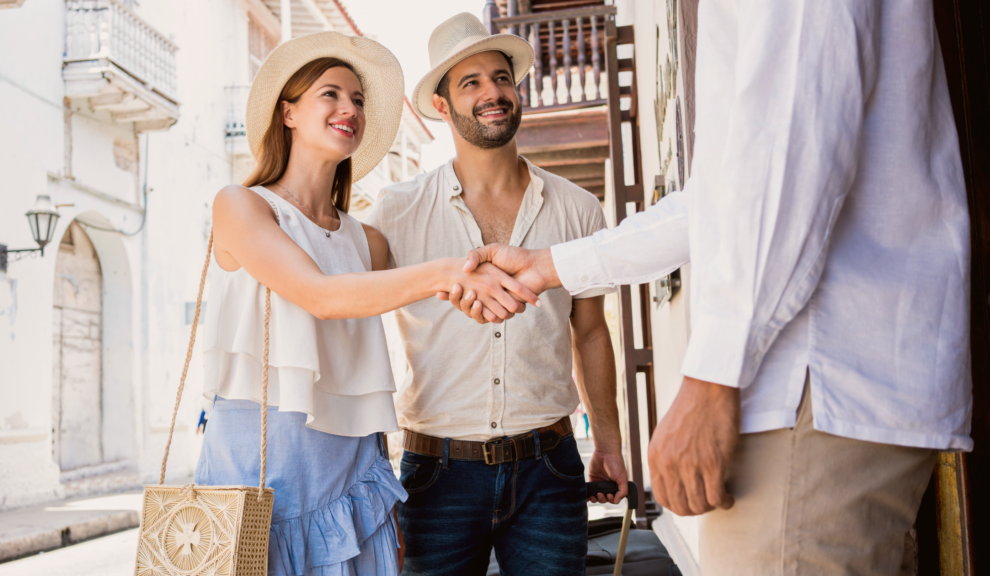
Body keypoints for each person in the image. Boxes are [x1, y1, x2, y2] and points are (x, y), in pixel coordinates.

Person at [458, 1, 973, 574]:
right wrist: (548, 265)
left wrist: (709, 381)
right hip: (822, 389)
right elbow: (722, 197)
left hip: (811, 387)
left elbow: (788, 157)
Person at [193, 32, 538, 576]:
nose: (349, 108)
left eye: (357, 100)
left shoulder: (367, 240)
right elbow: (321, 297)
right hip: (260, 465)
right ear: (288, 113)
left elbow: (368, 357)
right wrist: (448, 273)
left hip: (352, 475)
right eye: (330, 94)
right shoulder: (240, 206)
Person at [364, 14, 628, 576]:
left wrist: (608, 439)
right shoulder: (396, 211)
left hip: (550, 468)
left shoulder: (578, 209)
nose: (493, 93)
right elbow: (350, 314)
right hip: (436, 473)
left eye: (501, 77)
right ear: (442, 106)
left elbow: (590, 330)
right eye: (471, 82)